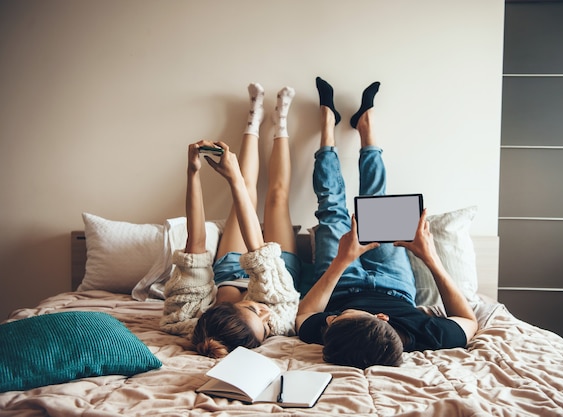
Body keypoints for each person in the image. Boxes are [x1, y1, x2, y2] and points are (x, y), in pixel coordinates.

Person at [295, 77, 478, 369]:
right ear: (382, 318)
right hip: (396, 283)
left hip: (341, 284)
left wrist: (342, 262)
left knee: (331, 208)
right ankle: (367, 127)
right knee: (377, 204)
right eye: (336, 316)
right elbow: (469, 320)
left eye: (330, 321)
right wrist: (429, 257)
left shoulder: (337, 336)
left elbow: (303, 317)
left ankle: (327, 127)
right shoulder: (426, 333)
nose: (328, 318)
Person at [160, 84, 301, 358]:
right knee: (277, 198)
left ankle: (252, 121)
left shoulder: (186, 317)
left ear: (218, 310)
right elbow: (262, 256)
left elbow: (196, 243)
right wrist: (232, 178)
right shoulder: (279, 318)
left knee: (244, 191)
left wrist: (192, 172)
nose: (264, 313)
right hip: (278, 274)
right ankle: (280, 124)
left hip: (227, 272)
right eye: (265, 329)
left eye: (252, 310)